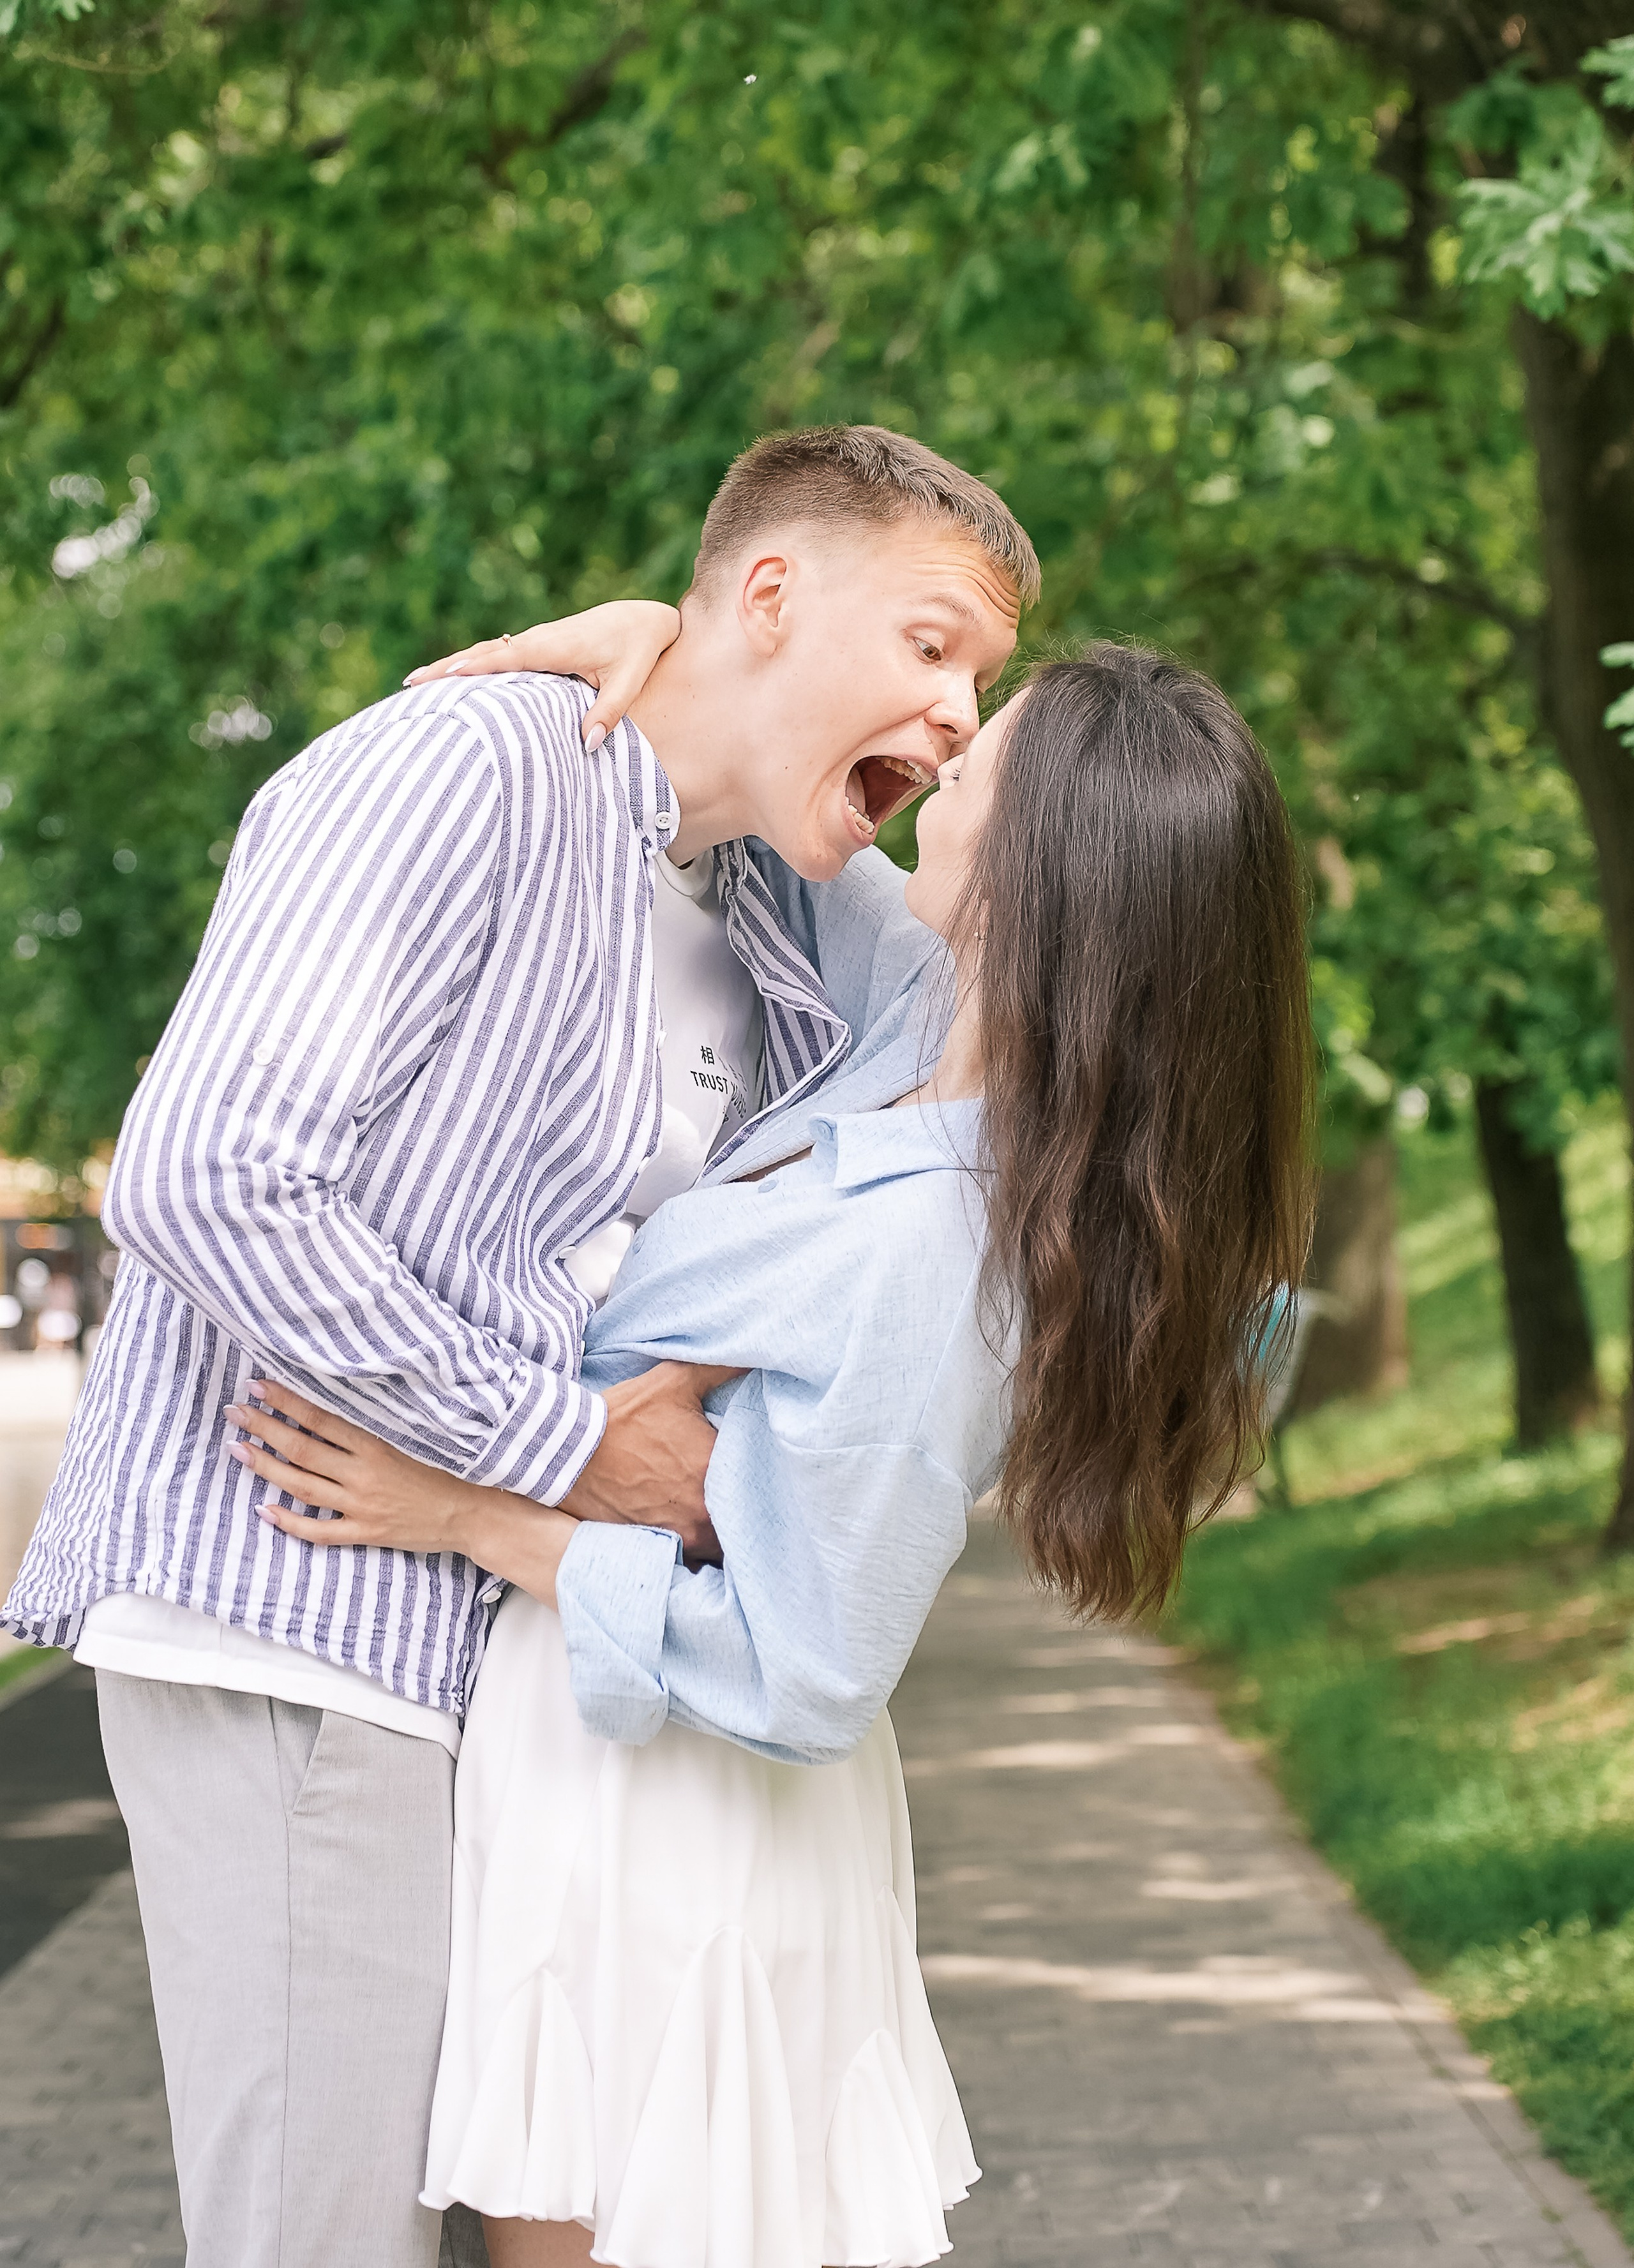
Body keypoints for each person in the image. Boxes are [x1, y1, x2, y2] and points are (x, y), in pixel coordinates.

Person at [0, 426, 1035, 2268]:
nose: (960, 715)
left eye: (985, 686)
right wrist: (557, 1452)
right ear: (776, 595)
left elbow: (1063, 998)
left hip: (494, 1658)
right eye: (937, 646)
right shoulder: (463, 771)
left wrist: (678, 640)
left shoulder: (772, 908)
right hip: (303, 1616)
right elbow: (208, 1176)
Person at [223, 644, 1316, 2268]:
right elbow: (765, 797)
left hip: (677, 1819)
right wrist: (652, 633)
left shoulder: (933, 1250)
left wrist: (467, 1508)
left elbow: (804, 1670)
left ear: (1040, 873)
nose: (943, 759)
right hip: (611, 1775)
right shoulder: (923, 1025)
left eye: (984, 758)